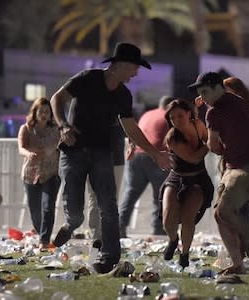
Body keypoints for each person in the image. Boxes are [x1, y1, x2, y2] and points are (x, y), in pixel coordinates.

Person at [50, 42, 170, 274]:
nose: (136, 73)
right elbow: (57, 98)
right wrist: (63, 125)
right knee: (75, 212)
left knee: (108, 205)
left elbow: (131, 128)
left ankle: (109, 257)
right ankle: (70, 225)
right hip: (73, 152)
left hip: (102, 153)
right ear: (122, 65)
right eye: (135, 68)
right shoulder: (86, 78)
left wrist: (155, 153)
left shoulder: (124, 95)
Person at [190, 72, 249, 274]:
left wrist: (219, 145)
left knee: (223, 211)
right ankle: (238, 263)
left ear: (218, 87)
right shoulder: (239, 101)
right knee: (221, 213)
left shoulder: (213, 113)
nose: (203, 98)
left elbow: (213, 146)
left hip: (241, 168)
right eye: (200, 93)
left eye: (206, 92)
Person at [160, 99, 214, 268]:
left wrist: (211, 140)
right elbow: (194, 157)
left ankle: (185, 253)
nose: (177, 120)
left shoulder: (198, 124)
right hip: (177, 177)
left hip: (198, 178)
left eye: (180, 116)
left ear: (189, 114)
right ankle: (173, 240)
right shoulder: (173, 138)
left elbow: (208, 137)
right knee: (168, 219)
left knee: (188, 217)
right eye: (173, 118)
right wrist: (210, 144)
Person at [118, 96, 175, 237]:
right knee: (160, 195)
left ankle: (119, 226)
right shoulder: (170, 117)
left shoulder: (147, 114)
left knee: (131, 192)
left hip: (136, 155)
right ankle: (158, 228)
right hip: (157, 155)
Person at [18, 97, 60, 250]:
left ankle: (44, 240)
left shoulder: (56, 130)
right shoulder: (26, 129)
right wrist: (28, 154)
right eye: (41, 111)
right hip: (31, 174)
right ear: (34, 113)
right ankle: (39, 229)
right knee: (35, 210)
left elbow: (62, 147)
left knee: (48, 206)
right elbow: (21, 147)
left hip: (51, 173)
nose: (44, 114)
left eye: (47, 112)